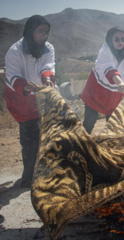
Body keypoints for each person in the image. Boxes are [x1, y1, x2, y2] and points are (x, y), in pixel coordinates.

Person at [4, 15, 56, 188]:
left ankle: (44, 173)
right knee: (29, 140)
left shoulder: (48, 48)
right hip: (21, 99)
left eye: (46, 33)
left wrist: (48, 80)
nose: (44, 36)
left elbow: (47, 67)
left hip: (40, 98)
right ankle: (28, 178)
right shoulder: (15, 51)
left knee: (46, 136)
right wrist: (25, 86)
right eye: (40, 32)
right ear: (30, 31)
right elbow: (12, 76)